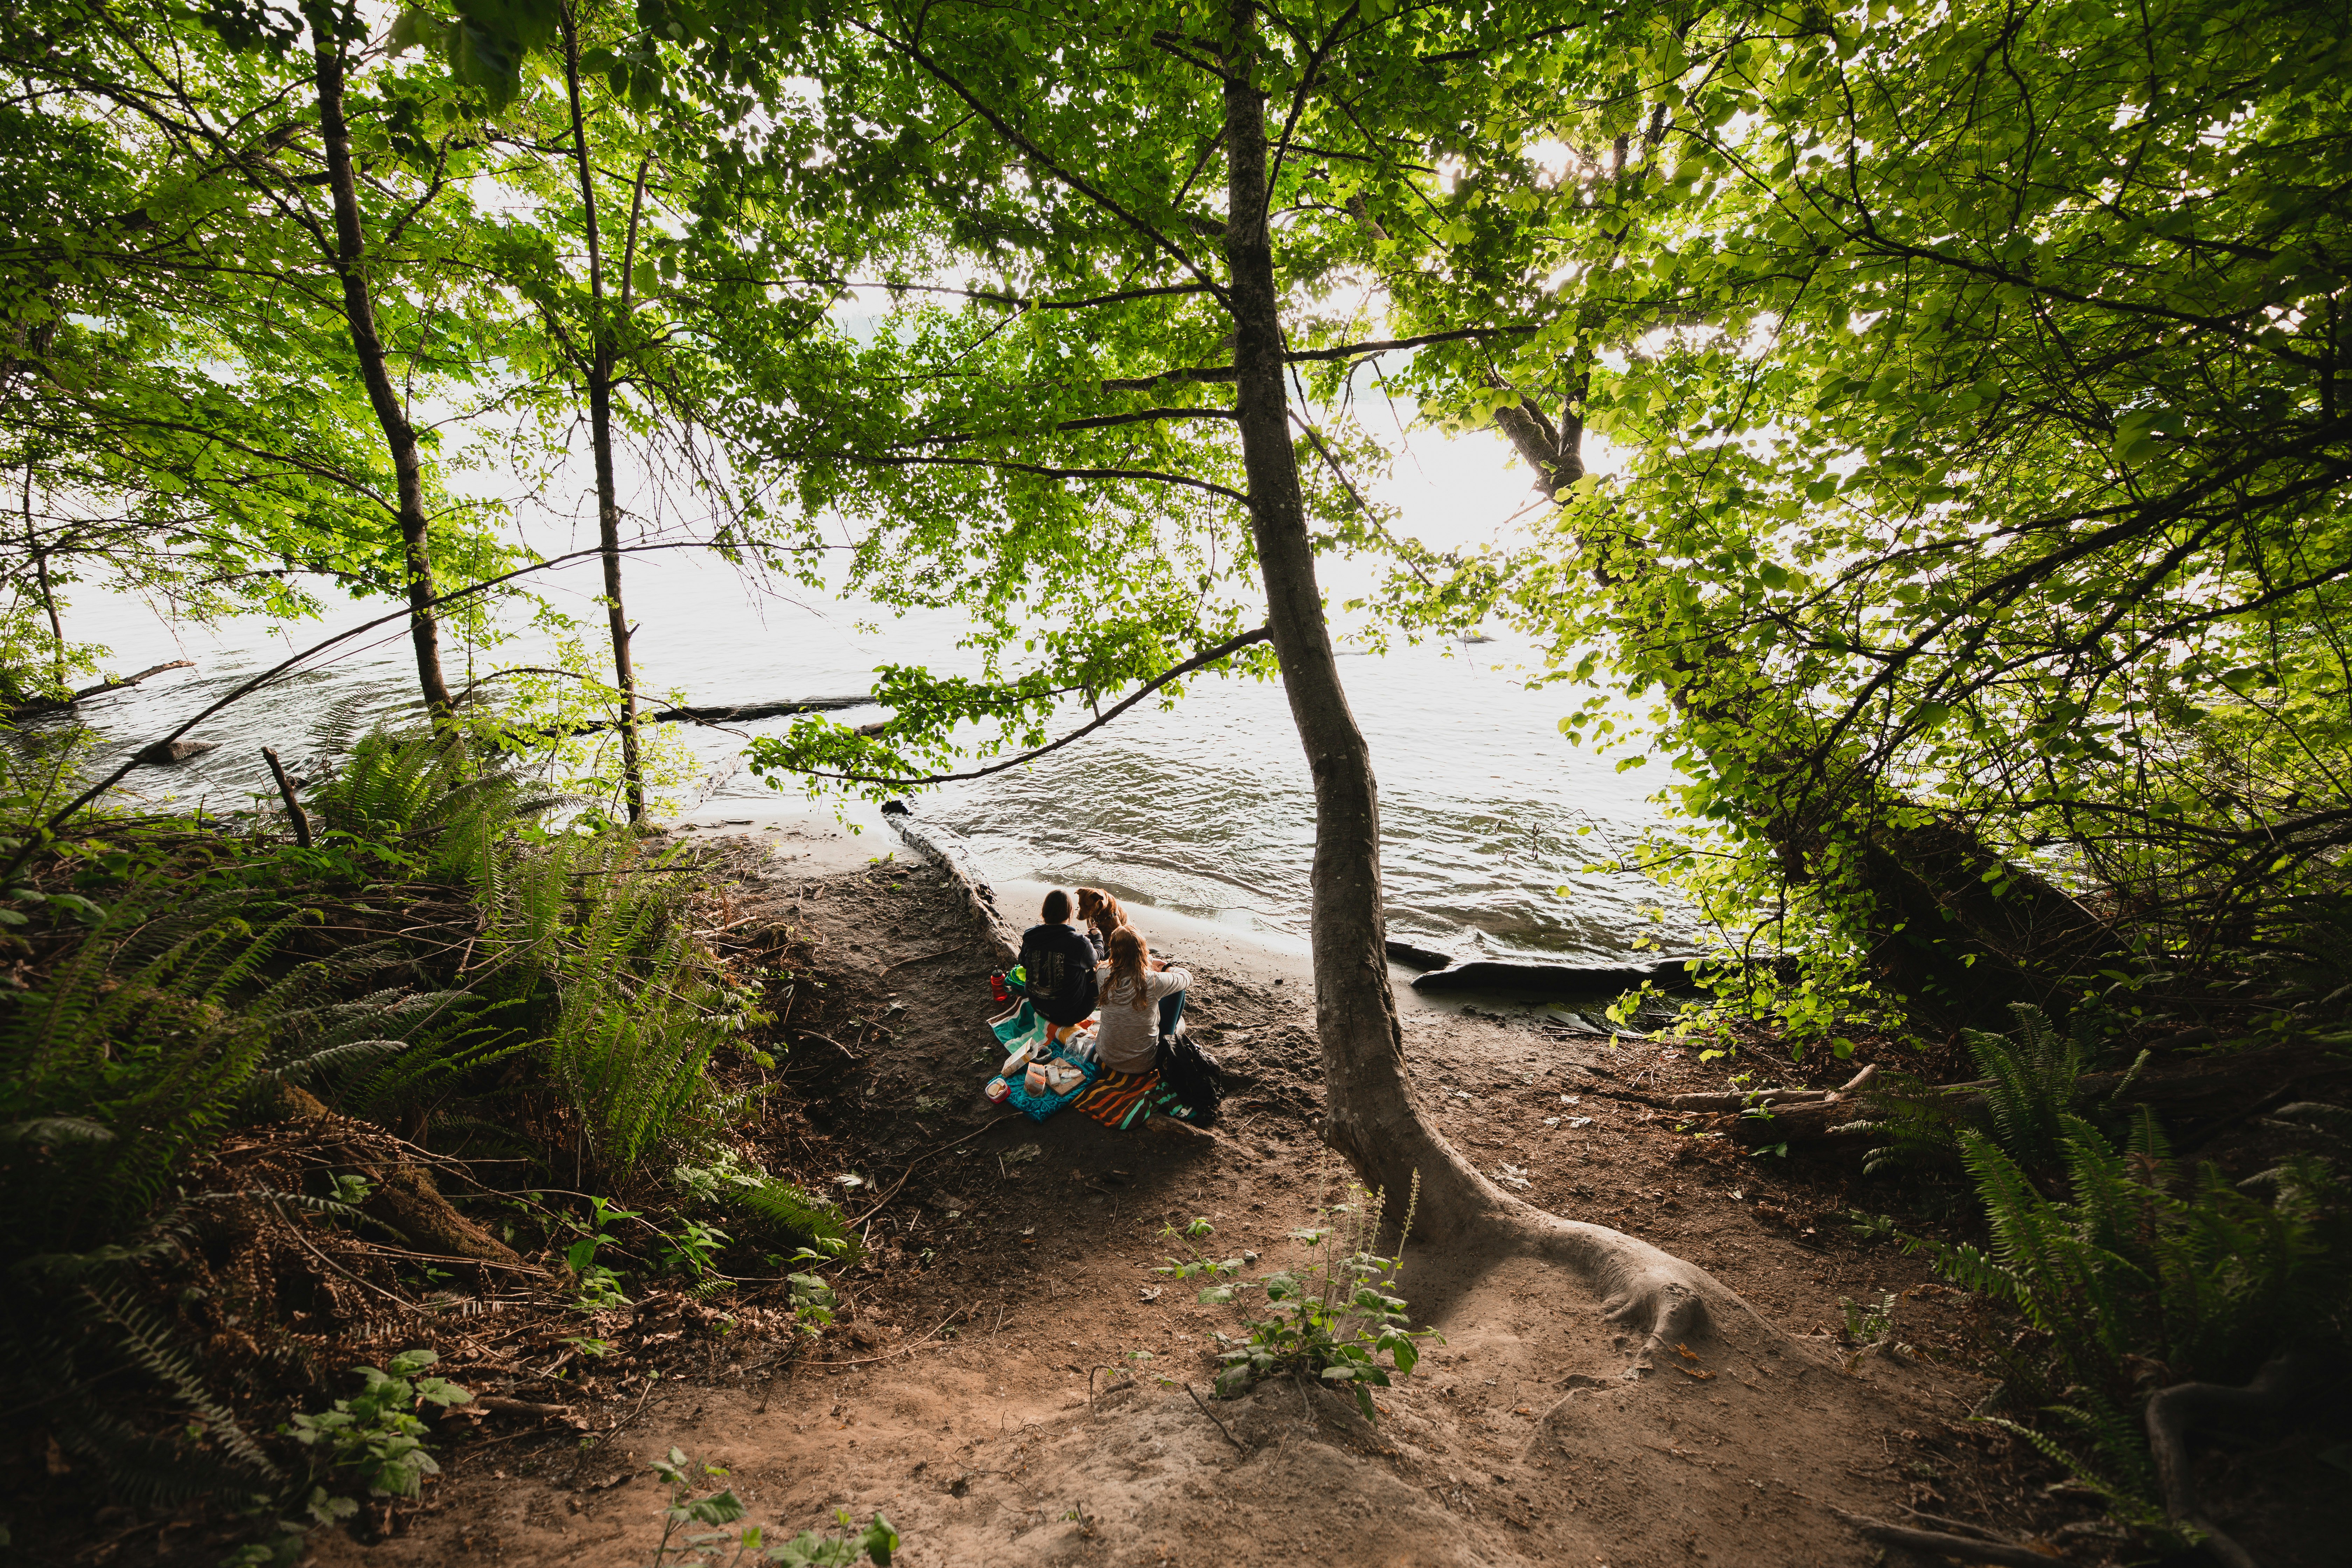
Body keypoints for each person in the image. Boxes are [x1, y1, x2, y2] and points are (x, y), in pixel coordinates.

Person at [1091, 925, 1189, 1075]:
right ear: (1142, 951)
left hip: (1106, 1056)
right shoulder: (1153, 981)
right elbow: (1187, 978)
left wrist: (1149, 960)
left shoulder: (1102, 972)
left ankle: (1175, 1027)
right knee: (1179, 991)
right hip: (1143, 1064)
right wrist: (1166, 968)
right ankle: (1174, 1031)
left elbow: (1118, 962)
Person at [1016, 889, 1099, 1048]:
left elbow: (1023, 962)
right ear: (1070, 912)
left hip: (1037, 1004)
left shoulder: (1031, 936)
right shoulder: (1079, 943)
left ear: (1045, 911)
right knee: (1098, 973)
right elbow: (1097, 959)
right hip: (1068, 1015)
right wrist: (1098, 937)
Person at [1074, 886, 1128, 960]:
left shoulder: (1112, 914)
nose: (1080, 914)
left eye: (1087, 907)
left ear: (1098, 901)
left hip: (1115, 945)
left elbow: (1120, 936)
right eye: (1081, 905)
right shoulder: (1092, 909)